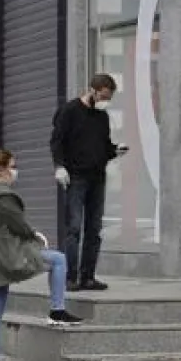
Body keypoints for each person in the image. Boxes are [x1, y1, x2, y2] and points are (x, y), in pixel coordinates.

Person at [0, 149, 84, 361]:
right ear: (1, 170)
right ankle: (57, 311)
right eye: (12, 166)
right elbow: (20, 227)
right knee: (58, 259)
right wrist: (35, 235)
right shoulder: (3, 197)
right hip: (6, 254)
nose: (15, 171)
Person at [49, 73, 126, 292]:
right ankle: (70, 277)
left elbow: (103, 147)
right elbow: (57, 141)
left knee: (94, 229)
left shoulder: (102, 118)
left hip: (97, 177)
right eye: (103, 96)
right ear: (93, 90)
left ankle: (88, 276)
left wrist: (115, 151)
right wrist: (59, 166)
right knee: (74, 228)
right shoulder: (69, 111)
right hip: (75, 177)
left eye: (108, 98)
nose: (105, 101)